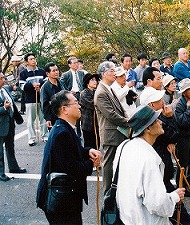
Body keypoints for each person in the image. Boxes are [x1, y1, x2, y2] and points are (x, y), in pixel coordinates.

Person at [36, 90, 101, 224]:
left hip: (64, 197)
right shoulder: (62, 133)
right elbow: (73, 169)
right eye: (76, 103)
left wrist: (87, 151)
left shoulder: (65, 127)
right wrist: (92, 163)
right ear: (64, 109)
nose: (79, 106)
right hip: (60, 201)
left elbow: (70, 152)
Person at [115, 105, 185, 224]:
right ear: (147, 129)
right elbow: (157, 203)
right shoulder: (149, 158)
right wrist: (174, 197)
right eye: (156, 120)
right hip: (146, 219)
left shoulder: (124, 146)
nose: (161, 122)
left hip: (127, 217)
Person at [139, 87, 190, 223]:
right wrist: (170, 118)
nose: (163, 102)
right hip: (159, 174)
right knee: (178, 214)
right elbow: (175, 135)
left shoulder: (151, 118)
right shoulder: (153, 121)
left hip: (161, 172)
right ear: (151, 105)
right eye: (159, 100)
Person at [94, 61, 129, 194]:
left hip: (119, 132)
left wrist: (127, 118)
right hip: (111, 134)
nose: (115, 73)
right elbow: (111, 115)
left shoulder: (109, 88)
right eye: (112, 71)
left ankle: (115, 191)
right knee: (109, 165)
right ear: (103, 74)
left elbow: (120, 109)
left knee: (117, 163)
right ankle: (108, 193)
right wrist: (128, 122)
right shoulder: (101, 92)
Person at [0, 71, 26, 182]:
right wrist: (4, 108)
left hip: (10, 122)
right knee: (0, 151)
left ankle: (14, 167)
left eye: (3, 77)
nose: (3, 80)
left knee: (10, 146)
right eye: (1, 78)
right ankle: (1, 173)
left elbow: (12, 101)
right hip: (1, 124)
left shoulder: (4, 89)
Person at [19, 53, 47, 146]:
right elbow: (22, 86)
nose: (34, 60)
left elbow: (46, 81)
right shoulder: (23, 73)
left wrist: (40, 86)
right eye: (31, 59)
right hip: (30, 99)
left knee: (43, 118)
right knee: (30, 120)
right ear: (27, 62)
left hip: (41, 98)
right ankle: (32, 138)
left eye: (34, 58)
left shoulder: (42, 71)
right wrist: (31, 85)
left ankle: (45, 136)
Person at [40, 62, 65, 130]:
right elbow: (44, 104)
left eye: (57, 70)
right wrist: (48, 119)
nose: (56, 72)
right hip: (54, 116)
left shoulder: (61, 82)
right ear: (47, 73)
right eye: (53, 71)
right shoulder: (45, 87)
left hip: (65, 113)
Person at [80, 73, 100, 149]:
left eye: (95, 80)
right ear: (87, 82)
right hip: (88, 125)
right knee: (89, 146)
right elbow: (93, 105)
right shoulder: (84, 93)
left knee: (97, 144)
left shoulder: (96, 92)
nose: (95, 82)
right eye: (92, 80)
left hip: (97, 124)